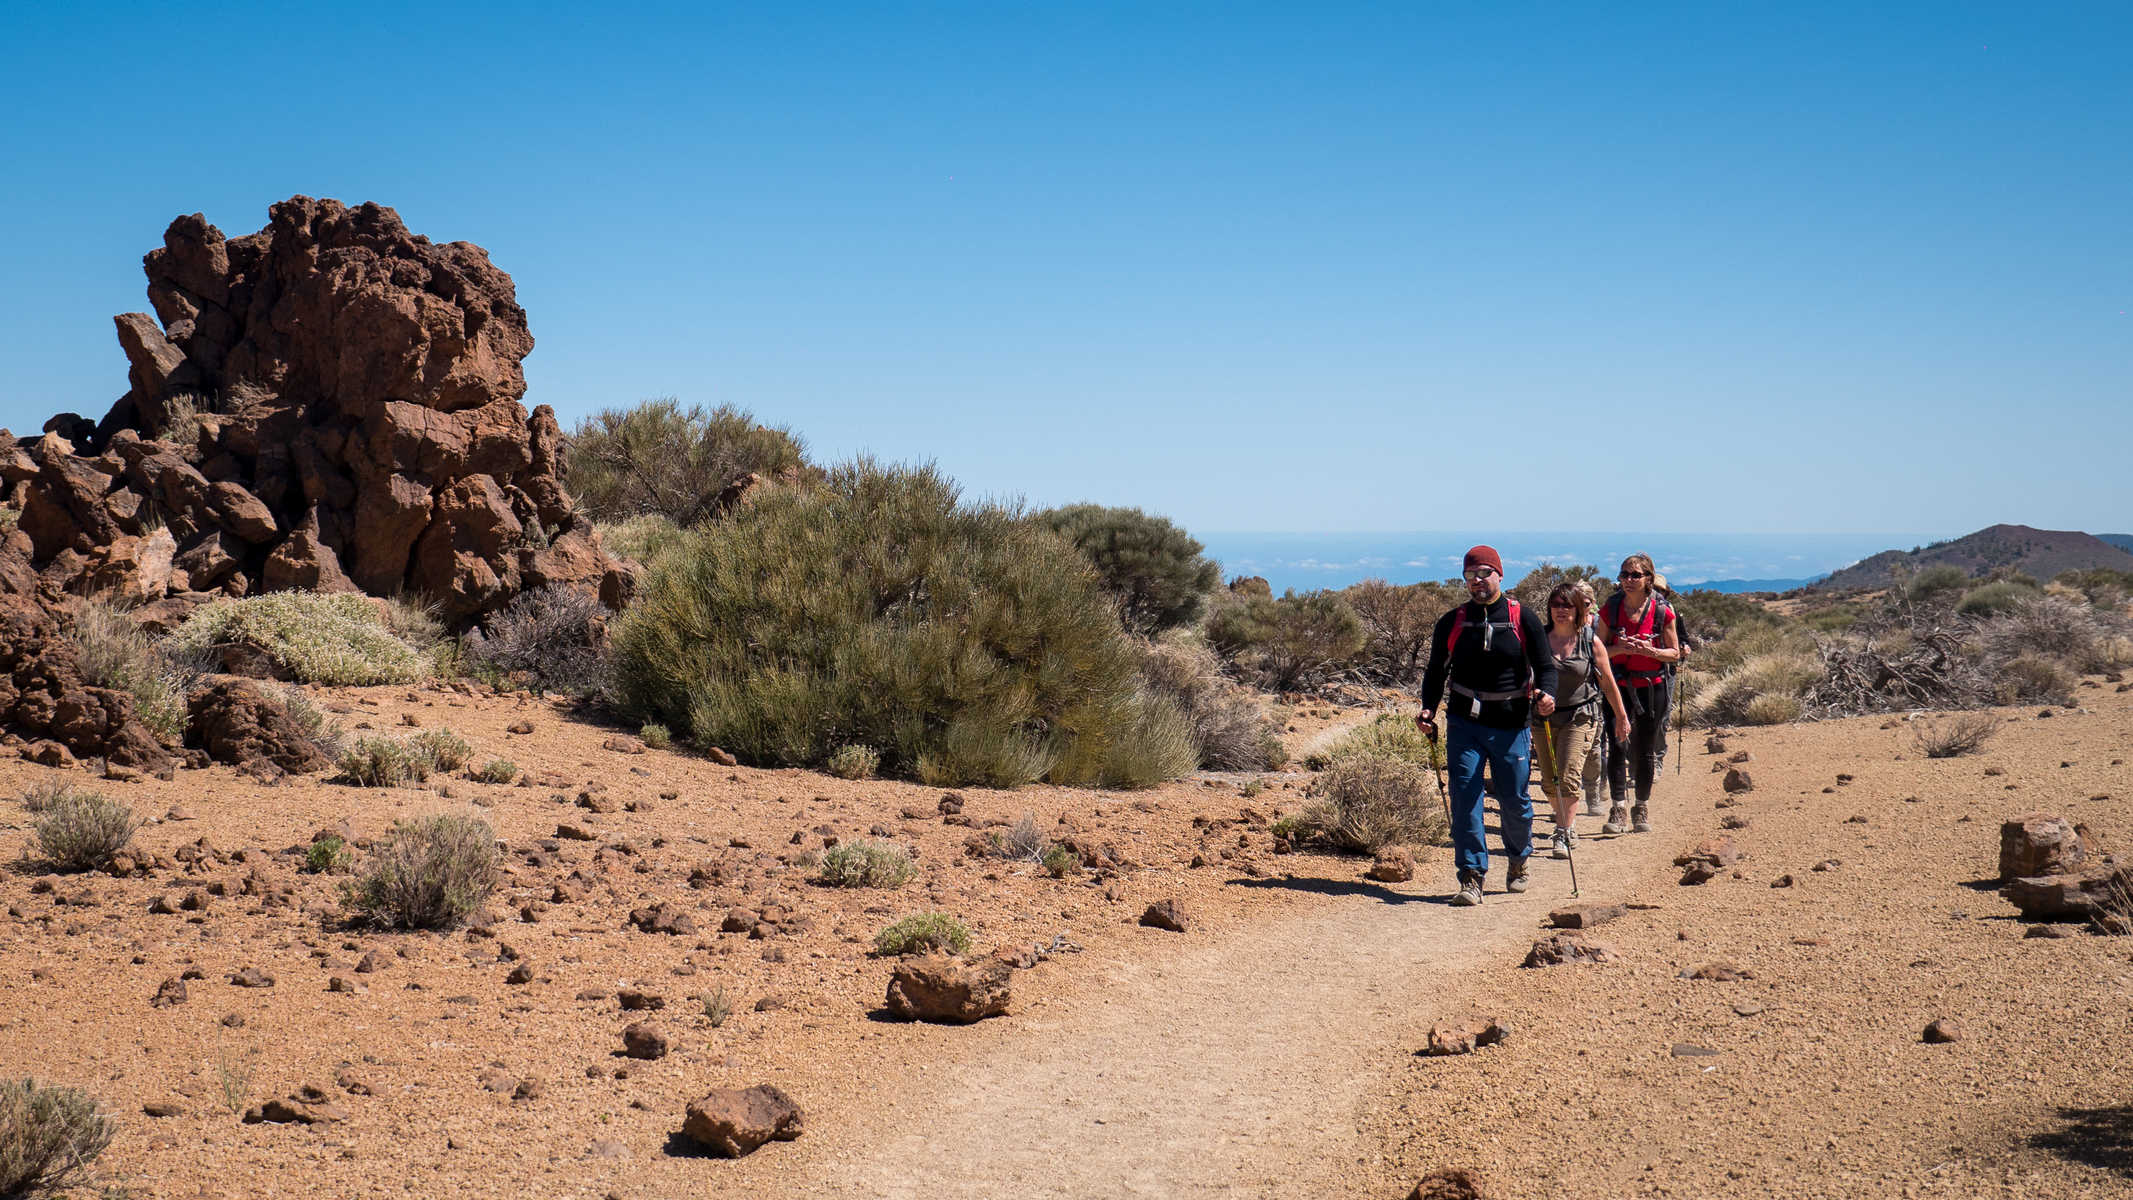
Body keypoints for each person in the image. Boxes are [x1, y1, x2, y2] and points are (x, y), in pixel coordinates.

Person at [1416, 546, 1557, 906]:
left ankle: (1518, 858)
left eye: (1484, 573)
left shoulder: (1522, 618)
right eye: (1470, 575)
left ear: (1499, 575)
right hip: (1465, 722)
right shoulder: (1452, 622)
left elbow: (1545, 666)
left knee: (1515, 801)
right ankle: (1471, 876)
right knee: (1465, 798)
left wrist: (1547, 695)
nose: (1477, 581)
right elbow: (1435, 671)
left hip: (1511, 724)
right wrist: (1428, 709)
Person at [1531, 583, 1629, 859]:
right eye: (1556, 605)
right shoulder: (1538, 639)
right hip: (1543, 718)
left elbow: (1608, 683)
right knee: (1550, 782)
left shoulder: (1589, 641)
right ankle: (1566, 822)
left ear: (1578, 609)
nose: (1561, 611)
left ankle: (1563, 832)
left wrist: (1621, 717)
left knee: (1568, 778)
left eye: (1567, 605)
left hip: (1581, 716)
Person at [1596, 553, 1681, 834]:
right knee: (1618, 744)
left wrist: (1651, 652)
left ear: (1648, 579)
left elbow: (1674, 653)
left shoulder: (1662, 611)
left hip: (1651, 686)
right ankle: (1618, 807)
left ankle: (1641, 805)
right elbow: (1598, 651)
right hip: (1617, 686)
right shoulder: (1611, 609)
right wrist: (1622, 649)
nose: (1628, 580)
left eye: (1635, 575)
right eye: (1624, 575)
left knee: (1645, 748)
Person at [1572, 578, 1607, 818]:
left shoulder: (1598, 628)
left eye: (1584, 602)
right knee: (1568, 756)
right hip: (1567, 701)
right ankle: (1568, 803)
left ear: (1592, 603)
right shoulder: (1558, 627)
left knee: (1594, 750)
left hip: (1595, 697)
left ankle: (1593, 792)